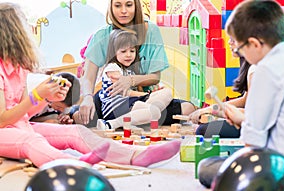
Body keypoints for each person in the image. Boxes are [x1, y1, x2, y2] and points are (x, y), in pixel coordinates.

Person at [0, 2, 181, 168]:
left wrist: (45, 98)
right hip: (5, 132)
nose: (30, 32)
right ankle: (77, 165)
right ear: (13, 34)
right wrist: (37, 96)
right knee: (31, 143)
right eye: (26, 29)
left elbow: (25, 115)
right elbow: (2, 120)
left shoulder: (18, 68)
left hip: (21, 127)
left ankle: (135, 155)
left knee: (75, 132)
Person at [199, 0, 284, 188]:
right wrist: (241, 119)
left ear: (253, 43)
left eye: (239, 48)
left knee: (206, 167)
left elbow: (253, 143)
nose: (239, 52)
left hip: (278, 172)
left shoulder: (265, 70)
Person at [78, 0, 196, 126]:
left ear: (136, 6)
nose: (123, 11)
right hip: (111, 99)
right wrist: (87, 97)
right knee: (80, 116)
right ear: (111, 7)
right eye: (118, 5)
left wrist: (130, 80)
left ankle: (135, 118)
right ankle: (139, 118)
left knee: (188, 108)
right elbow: (88, 77)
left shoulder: (151, 31)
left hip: (144, 98)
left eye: (128, 5)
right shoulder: (101, 35)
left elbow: (155, 77)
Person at [97, 29, 173, 130]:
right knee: (154, 111)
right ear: (113, 53)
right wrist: (146, 95)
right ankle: (111, 124)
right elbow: (125, 92)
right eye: (123, 51)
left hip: (128, 105)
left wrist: (153, 93)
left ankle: (131, 122)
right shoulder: (112, 68)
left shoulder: (129, 71)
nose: (128, 55)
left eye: (132, 51)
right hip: (114, 107)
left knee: (166, 93)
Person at [189, 37, 256, 138]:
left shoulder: (255, 69)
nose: (229, 42)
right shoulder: (249, 64)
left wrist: (213, 111)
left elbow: (253, 114)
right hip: (254, 122)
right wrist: (211, 108)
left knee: (203, 130)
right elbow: (245, 100)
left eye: (234, 38)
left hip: (258, 128)